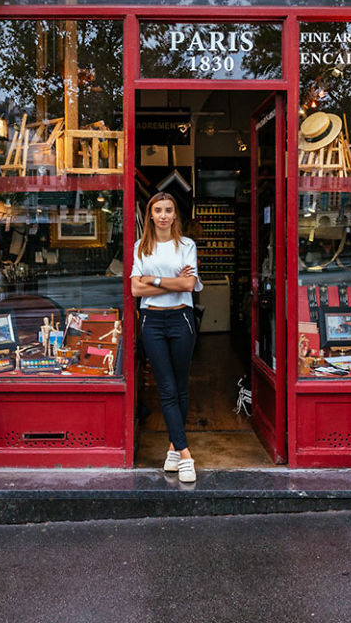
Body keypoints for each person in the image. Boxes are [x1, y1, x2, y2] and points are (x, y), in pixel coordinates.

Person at [131, 192, 203, 483]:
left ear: (175, 215)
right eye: (158, 210)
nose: (163, 215)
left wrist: (154, 280)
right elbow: (136, 290)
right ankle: (185, 453)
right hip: (152, 321)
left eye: (168, 210)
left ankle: (173, 447)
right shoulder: (141, 246)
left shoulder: (186, 245)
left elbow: (190, 285)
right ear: (150, 214)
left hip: (181, 318)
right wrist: (172, 285)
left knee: (180, 386)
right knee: (166, 387)